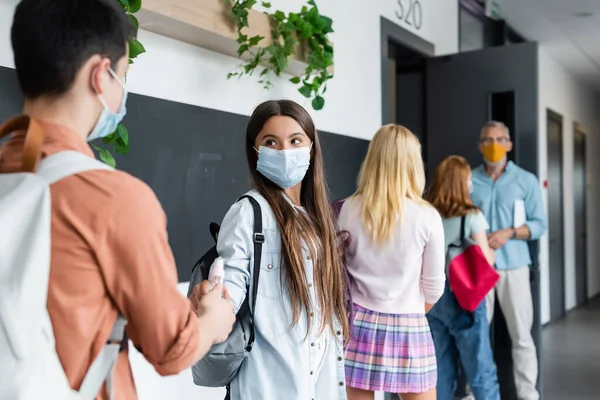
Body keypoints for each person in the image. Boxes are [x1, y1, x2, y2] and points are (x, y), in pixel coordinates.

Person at [1, 0, 235, 398]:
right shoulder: (114, 199)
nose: (120, 90)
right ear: (99, 74)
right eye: (120, 75)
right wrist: (213, 321)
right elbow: (171, 349)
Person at [218, 99, 349, 399]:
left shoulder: (316, 219)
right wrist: (209, 316)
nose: (285, 151)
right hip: (268, 388)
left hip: (319, 387)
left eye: (295, 140)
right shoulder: (248, 212)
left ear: (311, 147)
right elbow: (229, 293)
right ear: (256, 151)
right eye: (271, 142)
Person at [337, 124, 445, 400]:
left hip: (356, 325)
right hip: (409, 326)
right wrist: (407, 309)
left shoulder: (347, 209)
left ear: (372, 158)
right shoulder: (427, 216)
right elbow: (433, 289)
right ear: (413, 162)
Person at [471, 121, 547, 400]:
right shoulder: (469, 179)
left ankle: (528, 394)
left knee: (522, 336)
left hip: (514, 266)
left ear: (509, 144)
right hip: (478, 268)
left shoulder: (525, 180)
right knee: (476, 337)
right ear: (480, 145)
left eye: (499, 139)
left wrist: (510, 233)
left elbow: (539, 225)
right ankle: (474, 391)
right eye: (487, 139)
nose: (493, 145)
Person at [425, 155, 500, 400]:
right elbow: (487, 261)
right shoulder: (471, 215)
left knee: (440, 369)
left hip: (433, 298)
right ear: (460, 182)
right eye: (468, 179)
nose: (471, 183)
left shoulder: (426, 212)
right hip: (463, 298)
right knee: (480, 368)